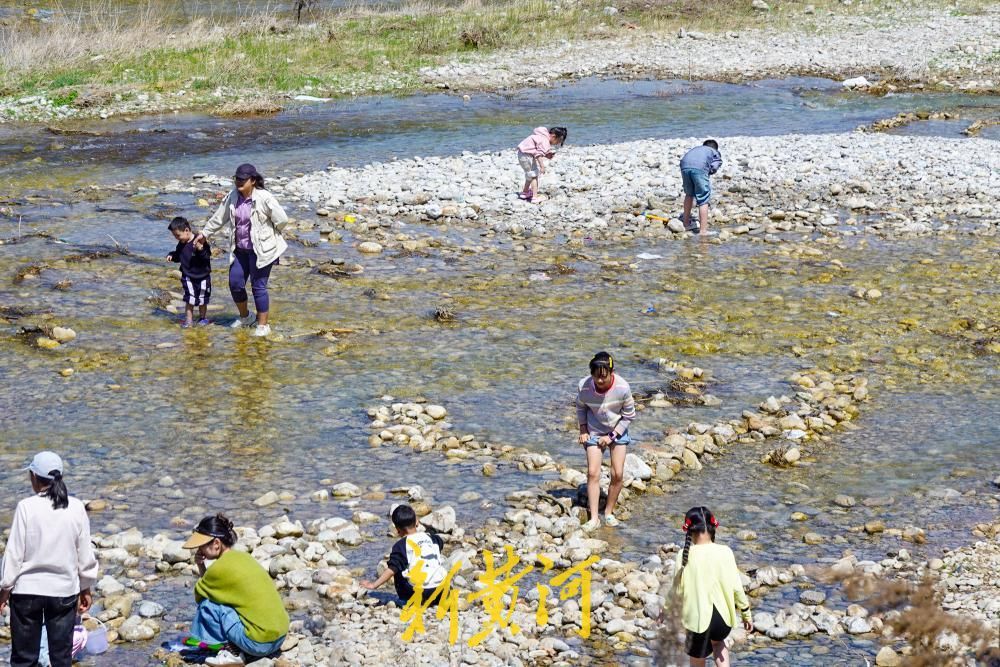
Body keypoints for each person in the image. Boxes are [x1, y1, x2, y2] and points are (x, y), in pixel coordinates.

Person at [0, 451, 98, 667]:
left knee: (24, 659)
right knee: (61, 657)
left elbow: (14, 554)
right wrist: (86, 588)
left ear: (34, 477)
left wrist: (4, 591)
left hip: (27, 593)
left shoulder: (26, 507)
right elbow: (84, 554)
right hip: (63, 592)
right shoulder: (75, 507)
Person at [195, 163, 288, 338]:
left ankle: (263, 325)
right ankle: (246, 317)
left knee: (258, 287)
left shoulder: (264, 197)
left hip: (261, 250)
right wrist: (204, 233)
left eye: (243, 179)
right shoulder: (233, 196)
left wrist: (270, 234)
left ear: (252, 180)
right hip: (240, 250)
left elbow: (282, 219)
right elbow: (219, 217)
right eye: (237, 178)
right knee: (235, 284)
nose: (239, 182)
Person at [182, 514, 289, 666]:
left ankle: (231, 652)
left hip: (258, 645)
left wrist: (201, 566)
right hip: (279, 638)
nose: (199, 550)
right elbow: (212, 587)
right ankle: (240, 646)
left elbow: (201, 595)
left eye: (202, 546)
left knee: (208, 605)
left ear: (217, 544)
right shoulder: (244, 557)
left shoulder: (219, 568)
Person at [673, 507, 753, 667]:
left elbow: (677, 590)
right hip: (721, 621)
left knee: (697, 654)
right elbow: (737, 588)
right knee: (718, 644)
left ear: (689, 531)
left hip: (697, 621)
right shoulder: (726, 552)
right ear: (713, 527)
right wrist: (746, 614)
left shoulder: (683, 554)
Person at [575, 351, 636, 531]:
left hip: (618, 429)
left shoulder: (623, 388)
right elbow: (580, 406)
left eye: (604, 377)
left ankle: (609, 512)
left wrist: (611, 436)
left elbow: (629, 415)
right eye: (596, 377)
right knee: (593, 473)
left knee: (617, 473)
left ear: (612, 372)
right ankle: (594, 518)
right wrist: (583, 429)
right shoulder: (584, 387)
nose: (600, 381)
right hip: (594, 429)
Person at [360, 505, 447, 606]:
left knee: (398, 567)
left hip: (419, 594)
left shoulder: (401, 545)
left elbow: (392, 570)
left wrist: (373, 585)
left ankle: (407, 600)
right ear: (417, 522)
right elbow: (439, 546)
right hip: (440, 590)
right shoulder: (434, 538)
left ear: (397, 529)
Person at [166, 216, 212, 328]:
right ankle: (189, 320)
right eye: (175, 236)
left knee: (202, 300)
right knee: (189, 299)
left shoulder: (200, 240)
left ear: (186, 230)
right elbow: (179, 256)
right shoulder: (181, 243)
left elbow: (206, 257)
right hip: (188, 276)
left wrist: (200, 249)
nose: (177, 238)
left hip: (203, 276)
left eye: (178, 235)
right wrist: (172, 255)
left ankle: (203, 318)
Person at [679, 140, 723, 235]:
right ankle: (703, 231)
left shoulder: (696, 149)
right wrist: (709, 172)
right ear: (715, 148)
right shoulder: (714, 152)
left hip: (684, 167)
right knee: (703, 198)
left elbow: (684, 159)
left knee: (689, 194)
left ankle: (686, 224)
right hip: (700, 168)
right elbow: (715, 166)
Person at [516, 126, 568, 203]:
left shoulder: (542, 136)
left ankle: (525, 192)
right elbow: (538, 155)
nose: (557, 144)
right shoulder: (545, 141)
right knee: (534, 175)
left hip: (522, 154)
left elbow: (536, 150)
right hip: (527, 156)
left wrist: (547, 155)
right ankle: (534, 197)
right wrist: (542, 166)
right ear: (553, 136)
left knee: (530, 174)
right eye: (558, 141)